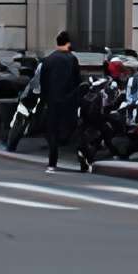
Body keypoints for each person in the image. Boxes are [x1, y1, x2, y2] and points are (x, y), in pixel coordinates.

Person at [36, 32, 89, 172]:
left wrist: (45, 99)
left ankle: (52, 163)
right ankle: (82, 159)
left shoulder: (48, 59)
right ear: (69, 43)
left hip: (53, 101)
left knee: (52, 131)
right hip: (70, 101)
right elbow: (78, 81)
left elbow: (43, 82)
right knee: (76, 131)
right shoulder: (72, 59)